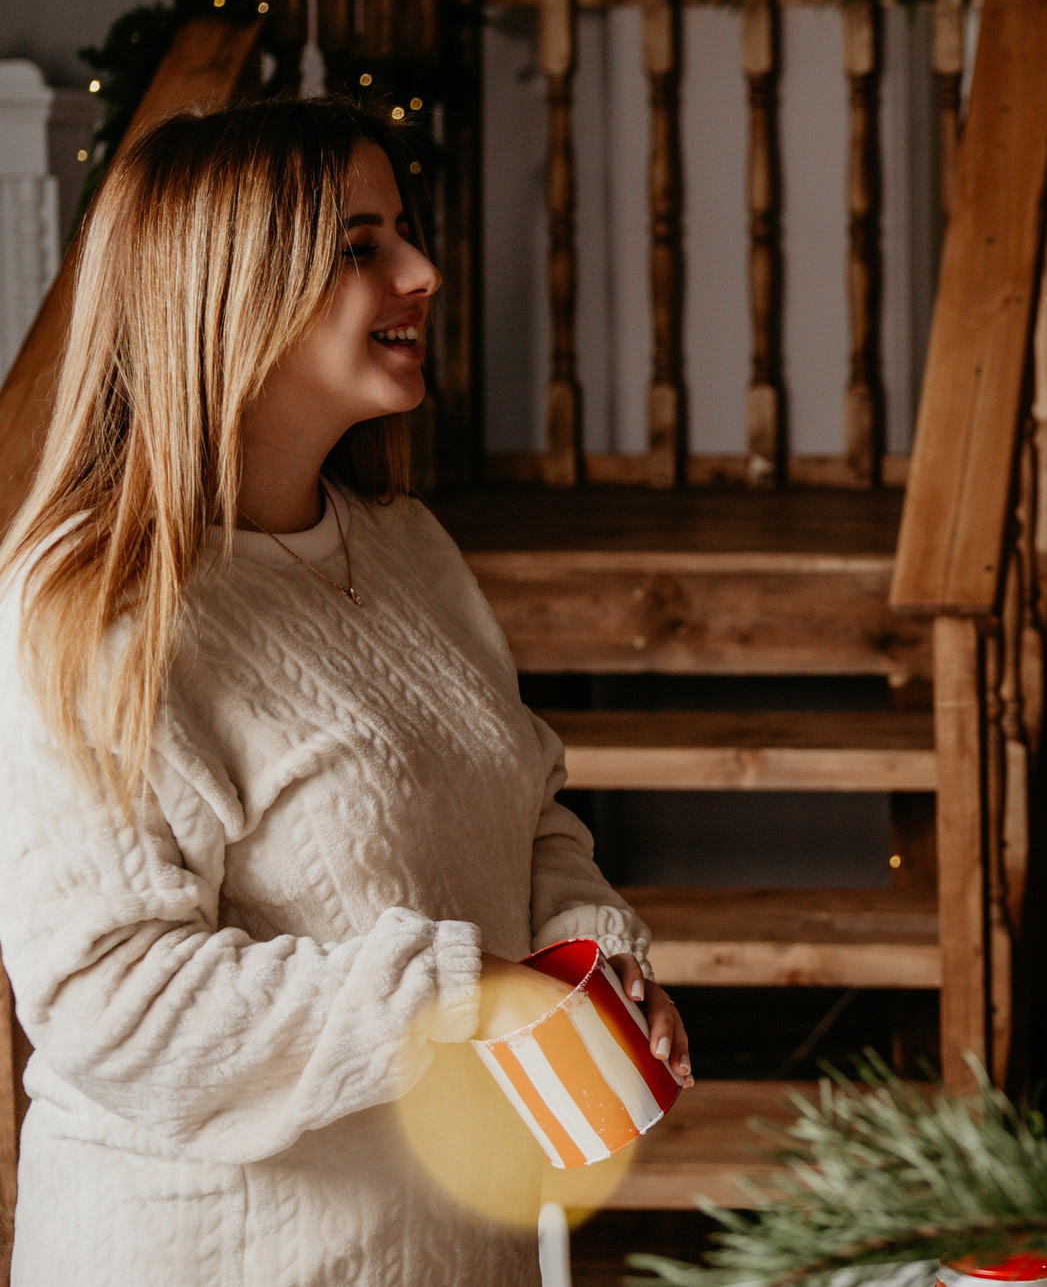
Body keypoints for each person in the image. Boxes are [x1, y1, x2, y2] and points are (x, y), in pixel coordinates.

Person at [0, 99, 689, 1287]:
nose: (421, 272)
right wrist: (465, 992)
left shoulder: (410, 548)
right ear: (227, 285)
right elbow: (112, 1004)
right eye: (360, 245)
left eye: (405, 233)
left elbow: (526, 812)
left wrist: (588, 957)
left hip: (452, 1241)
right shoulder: (92, 603)